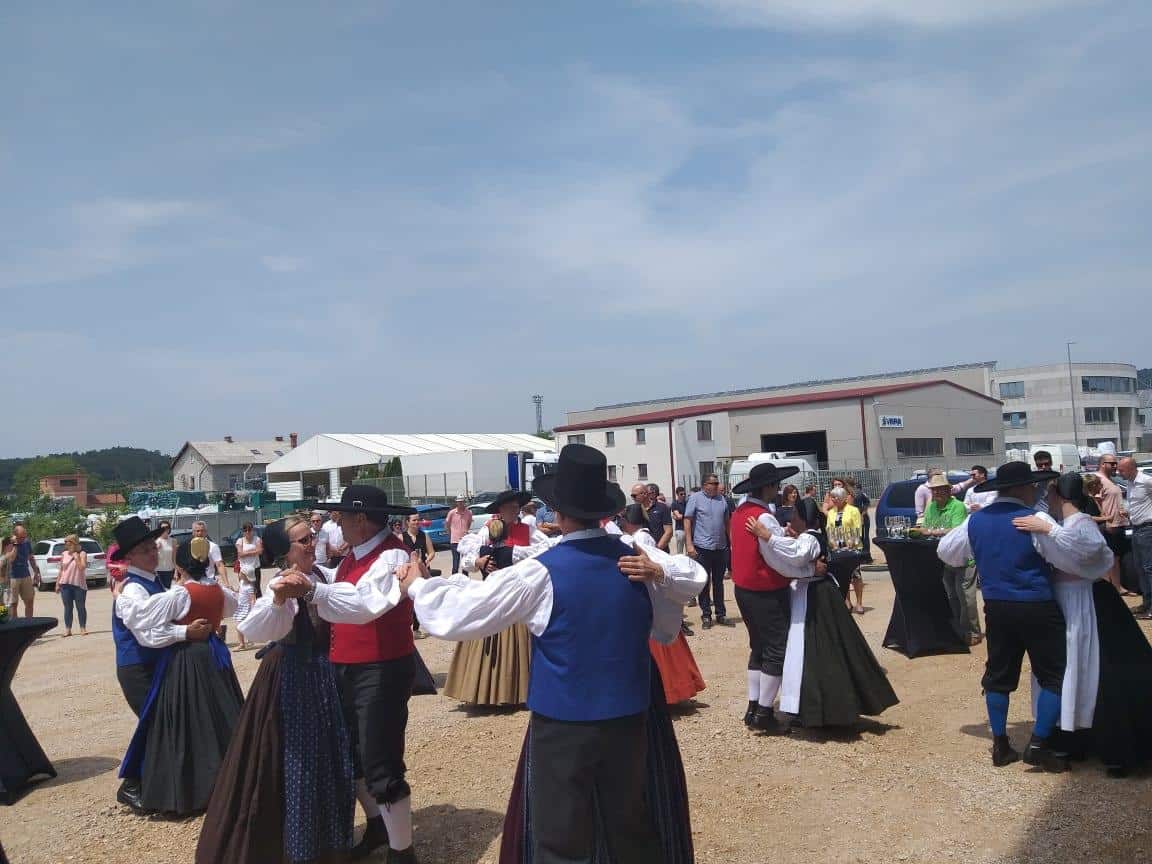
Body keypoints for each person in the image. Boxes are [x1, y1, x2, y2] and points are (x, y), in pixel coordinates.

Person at [401, 444, 705, 863]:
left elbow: (461, 613)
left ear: (558, 513)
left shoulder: (542, 570)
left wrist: (417, 586)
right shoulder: (636, 557)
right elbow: (687, 587)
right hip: (629, 716)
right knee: (628, 827)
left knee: (561, 836)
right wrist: (661, 571)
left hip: (565, 723)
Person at [195, 516, 356, 864]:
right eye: (303, 540)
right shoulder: (279, 586)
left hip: (325, 677)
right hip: (295, 680)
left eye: (312, 536)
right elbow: (252, 627)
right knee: (300, 765)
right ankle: (301, 850)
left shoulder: (323, 575)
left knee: (332, 758)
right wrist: (280, 599)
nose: (312, 544)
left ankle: (332, 844)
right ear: (286, 552)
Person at [273, 485, 421, 863]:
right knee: (353, 752)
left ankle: (402, 853)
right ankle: (378, 825)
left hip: (380, 667)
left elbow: (363, 604)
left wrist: (311, 591)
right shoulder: (356, 555)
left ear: (361, 519)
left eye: (342, 517)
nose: (336, 523)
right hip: (351, 666)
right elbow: (342, 590)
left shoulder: (391, 556)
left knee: (381, 759)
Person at [938, 460, 1069, 771]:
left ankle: (1000, 743)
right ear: (1021, 488)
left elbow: (946, 551)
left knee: (998, 675)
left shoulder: (976, 521)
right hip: (1036, 604)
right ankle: (1038, 744)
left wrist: (983, 556)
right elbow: (1064, 556)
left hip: (997, 606)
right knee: (1054, 674)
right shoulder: (1035, 518)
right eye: (1032, 485)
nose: (1036, 490)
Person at [117, 535, 243, 816]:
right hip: (144, 663)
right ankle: (143, 786)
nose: (152, 553)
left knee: (178, 724)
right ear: (129, 557)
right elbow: (142, 628)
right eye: (144, 550)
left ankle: (181, 788)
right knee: (166, 724)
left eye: (153, 548)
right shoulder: (136, 588)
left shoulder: (167, 588)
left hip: (177, 660)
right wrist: (185, 631)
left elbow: (145, 617)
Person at [747, 498, 899, 728]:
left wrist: (768, 536)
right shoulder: (809, 535)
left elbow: (797, 554)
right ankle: (811, 708)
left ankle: (822, 709)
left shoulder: (809, 538)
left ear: (802, 518)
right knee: (808, 651)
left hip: (815, 596)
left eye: (794, 516)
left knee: (814, 651)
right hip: (811, 593)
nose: (790, 520)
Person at [444, 490, 545, 706]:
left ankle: (518, 692)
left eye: (517, 507)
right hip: (492, 592)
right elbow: (467, 558)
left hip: (516, 594)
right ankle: (486, 692)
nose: (515, 510)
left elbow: (544, 550)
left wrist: (517, 558)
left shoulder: (528, 530)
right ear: (500, 510)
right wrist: (479, 562)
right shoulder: (487, 530)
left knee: (519, 645)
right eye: (510, 507)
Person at [729, 462, 799, 733]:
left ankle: (754, 706)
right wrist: (801, 567)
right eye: (776, 484)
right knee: (776, 649)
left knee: (758, 646)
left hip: (744, 588)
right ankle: (764, 713)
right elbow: (776, 558)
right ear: (768, 486)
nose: (778, 489)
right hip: (765, 590)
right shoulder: (763, 517)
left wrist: (780, 536)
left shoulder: (740, 511)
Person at [618, 503, 706, 705]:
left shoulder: (639, 539)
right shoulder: (639, 536)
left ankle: (670, 693)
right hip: (654, 597)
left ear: (629, 522)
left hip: (652, 599)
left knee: (660, 654)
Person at [922, 475, 981, 645]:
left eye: (941, 489)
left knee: (965, 596)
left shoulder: (957, 506)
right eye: (934, 490)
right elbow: (925, 527)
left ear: (949, 490)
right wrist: (930, 531)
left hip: (963, 557)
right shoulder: (931, 507)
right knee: (952, 595)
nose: (937, 492)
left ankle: (972, 631)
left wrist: (932, 532)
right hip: (946, 558)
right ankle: (958, 629)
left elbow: (956, 530)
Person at [685, 474, 731, 629]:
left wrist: (731, 542)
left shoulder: (721, 499)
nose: (717, 486)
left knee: (719, 582)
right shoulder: (695, 498)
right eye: (714, 483)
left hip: (720, 547)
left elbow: (727, 522)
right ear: (705, 485)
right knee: (704, 582)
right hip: (702, 547)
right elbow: (687, 520)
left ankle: (721, 614)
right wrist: (689, 544)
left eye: (717, 483)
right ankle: (706, 615)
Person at [1118, 457, 1152, 619]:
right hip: (1136, 528)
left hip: (1148, 528)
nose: (1119, 473)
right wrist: (1128, 513)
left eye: (1122, 470)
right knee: (1139, 567)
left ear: (1131, 468)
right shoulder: (1130, 484)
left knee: (1148, 568)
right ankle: (1147, 603)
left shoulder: (1146, 481)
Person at [827, 488, 866, 613]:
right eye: (832, 497)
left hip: (852, 547)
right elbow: (829, 529)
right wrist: (832, 543)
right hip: (837, 548)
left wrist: (852, 542)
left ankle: (859, 603)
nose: (833, 499)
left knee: (855, 575)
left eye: (836, 497)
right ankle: (847, 601)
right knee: (842, 576)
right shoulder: (831, 512)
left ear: (843, 498)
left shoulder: (853, 510)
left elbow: (857, 528)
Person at [402, 513, 437, 640]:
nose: (417, 522)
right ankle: (405, 628)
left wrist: (427, 560)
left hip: (423, 570)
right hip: (409, 573)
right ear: (407, 522)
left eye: (418, 520)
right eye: (414, 520)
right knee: (407, 601)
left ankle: (416, 629)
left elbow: (431, 552)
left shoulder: (424, 535)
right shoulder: (402, 537)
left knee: (420, 599)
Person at [234, 523, 262, 649]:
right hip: (244, 568)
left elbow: (260, 551)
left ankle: (256, 615)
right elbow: (240, 554)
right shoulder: (240, 540)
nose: (247, 532)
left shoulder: (257, 539)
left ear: (252, 530)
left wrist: (247, 552)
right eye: (245, 530)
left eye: (249, 530)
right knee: (243, 588)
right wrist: (253, 552)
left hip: (254, 568)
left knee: (255, 591)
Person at [55, 534, 89, 637]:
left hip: (79, 585)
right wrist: (57, 584)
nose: (65, 544)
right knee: (68, 608)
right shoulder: (64, 554)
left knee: (80, 607)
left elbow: (82, 568)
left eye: (67, 542)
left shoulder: (82, 553)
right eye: (65, 542)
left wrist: (76, 557)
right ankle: (68, 629)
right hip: (65, 584)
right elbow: (61, 570)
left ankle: (83, 628)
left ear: (73, 543)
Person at [8, 524, 41, 618]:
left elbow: (31, 558)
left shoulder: (26, 542)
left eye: (24, 536)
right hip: (12, 577)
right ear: (15, 535)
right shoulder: (9, 543)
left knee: (30, 600)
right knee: (13, 604)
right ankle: (14, 624)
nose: (23, 539)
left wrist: (36, 572)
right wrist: (15, 545)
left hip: (25, 575)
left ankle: (29, 623)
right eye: (21, 537)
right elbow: (11, 559)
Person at [632, 483, 673, 551]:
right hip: (641, 553)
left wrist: (656, 550)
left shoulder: (662, 508)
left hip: (660, 552)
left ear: (645, 494)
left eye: (634, 496)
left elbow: (669, 531)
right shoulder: (634, 511)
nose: (633, 498)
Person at [443, 496, 474, 573]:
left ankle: (465, 578)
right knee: (455, 562)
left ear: (464, 502)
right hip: (455, 540)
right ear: (456, 502)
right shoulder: (452, 513)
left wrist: (465, 532)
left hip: (465, 541)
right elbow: (447, 524)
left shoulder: (469, 512)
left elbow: (469, 523)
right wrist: (450, 534)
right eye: (459, 502)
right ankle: (454, 578)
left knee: (465, 562)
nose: (460, 503)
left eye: (462, 502)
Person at [849, 479, 873, 565]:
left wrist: (863, 514)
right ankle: (861, 556)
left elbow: (867, 503)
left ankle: (866, 557)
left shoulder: (859, 493)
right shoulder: (851, 494)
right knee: (859, 537)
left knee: (864, 537)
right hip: (856, 518)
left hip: (862, 518)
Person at [154, 522, 175, 590]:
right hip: (158, 570)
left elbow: (174, 557)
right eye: (162, 528)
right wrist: (156, 549)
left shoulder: (173, 541)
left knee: (168, 590)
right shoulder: (156, 541)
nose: (165, 529)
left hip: (169, 570)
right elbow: (151, 556)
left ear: (169, 529)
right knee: (160, 590)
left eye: (167, 527)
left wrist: (176, 572)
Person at [670, 486, 688, 555]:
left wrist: (678, 516)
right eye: (681, 494)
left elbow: (678, 516)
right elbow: (678, 516)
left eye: (684, 494)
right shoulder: (675, 503)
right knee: (680, 551)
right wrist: (687, 516)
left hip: (688, 529)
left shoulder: (687, 503)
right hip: (680, 529)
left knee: (689, 550)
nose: (683, 495)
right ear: (677, 494)